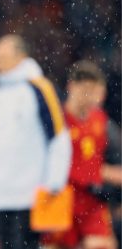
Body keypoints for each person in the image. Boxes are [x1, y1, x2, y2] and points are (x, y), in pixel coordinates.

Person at [0, 34, 72, 249]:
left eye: (3, 56)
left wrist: (55, 181)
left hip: (32, 192)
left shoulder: (40, 89)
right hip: (2, 192)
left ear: (21, 56)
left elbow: (59, 137)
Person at [43, 61, 118, 249]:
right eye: (85, 89)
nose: (89, 97)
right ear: (71, 87)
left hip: (91, 201)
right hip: (58, 197)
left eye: (94, 91)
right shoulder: (56, 120)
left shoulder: (102, 122)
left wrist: (103, 176)